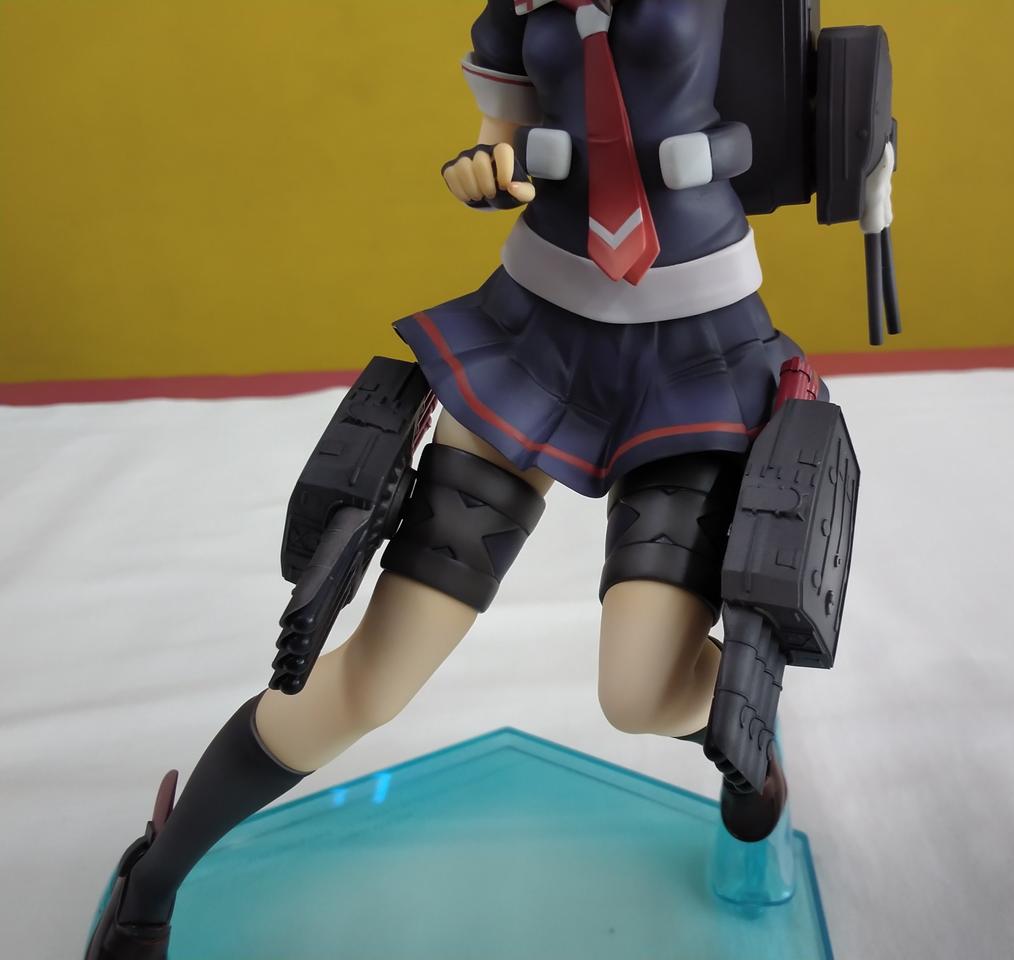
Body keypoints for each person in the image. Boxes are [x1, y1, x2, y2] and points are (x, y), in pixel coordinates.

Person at [87, 3, 818, 956]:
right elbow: (501, 135)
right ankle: (154, 878)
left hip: (696, 346)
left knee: (641, 692)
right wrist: (487, 169)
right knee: (374, 677)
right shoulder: (523, 10)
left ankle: (745, 734)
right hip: (537, 330)